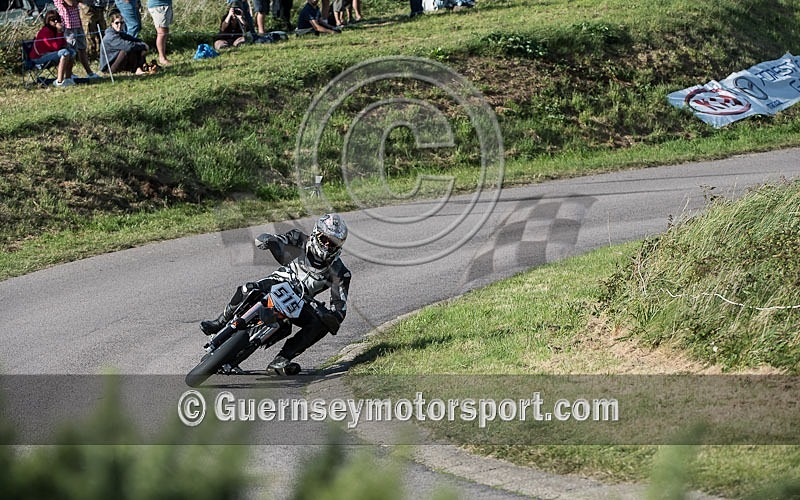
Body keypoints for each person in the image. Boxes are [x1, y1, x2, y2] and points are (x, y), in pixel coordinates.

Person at [200, 214, 352, 372]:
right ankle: (220, 322)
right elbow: (278, 240)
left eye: (333, 242)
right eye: (324, 239)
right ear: (316, 233)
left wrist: (330, 316)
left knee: (320, 325)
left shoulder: (341, 272)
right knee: (248, 289)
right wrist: (269, 240)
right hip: (277, 282)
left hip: (302, 301)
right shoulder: (298, 238)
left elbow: (340, 308)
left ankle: (282, 359)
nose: (327, 245)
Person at [53, 0, 100, 78]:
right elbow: (71, 3)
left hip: (77, 22)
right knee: (71, 52)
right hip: (68, 25)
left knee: (82, 49)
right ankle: (69, 75)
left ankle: (89, 73)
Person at [29, 10, 76, 87]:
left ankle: (68, 78)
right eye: (53, 20)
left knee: (72, 52)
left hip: (49, 54)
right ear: (48, 21)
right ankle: (59, 81)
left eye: (57, 20)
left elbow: (63, 44)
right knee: (64, 53)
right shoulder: (45, 31)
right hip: (39, 57)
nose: (56, 22)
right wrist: (59, 32)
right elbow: (56, 47)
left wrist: (60, 32)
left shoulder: (55, 31)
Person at [146, 0, 172, 66]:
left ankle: (163, 56)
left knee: (164, 31)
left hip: (164, 4)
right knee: (161, 33)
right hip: (158, 6)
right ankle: (162, 58)